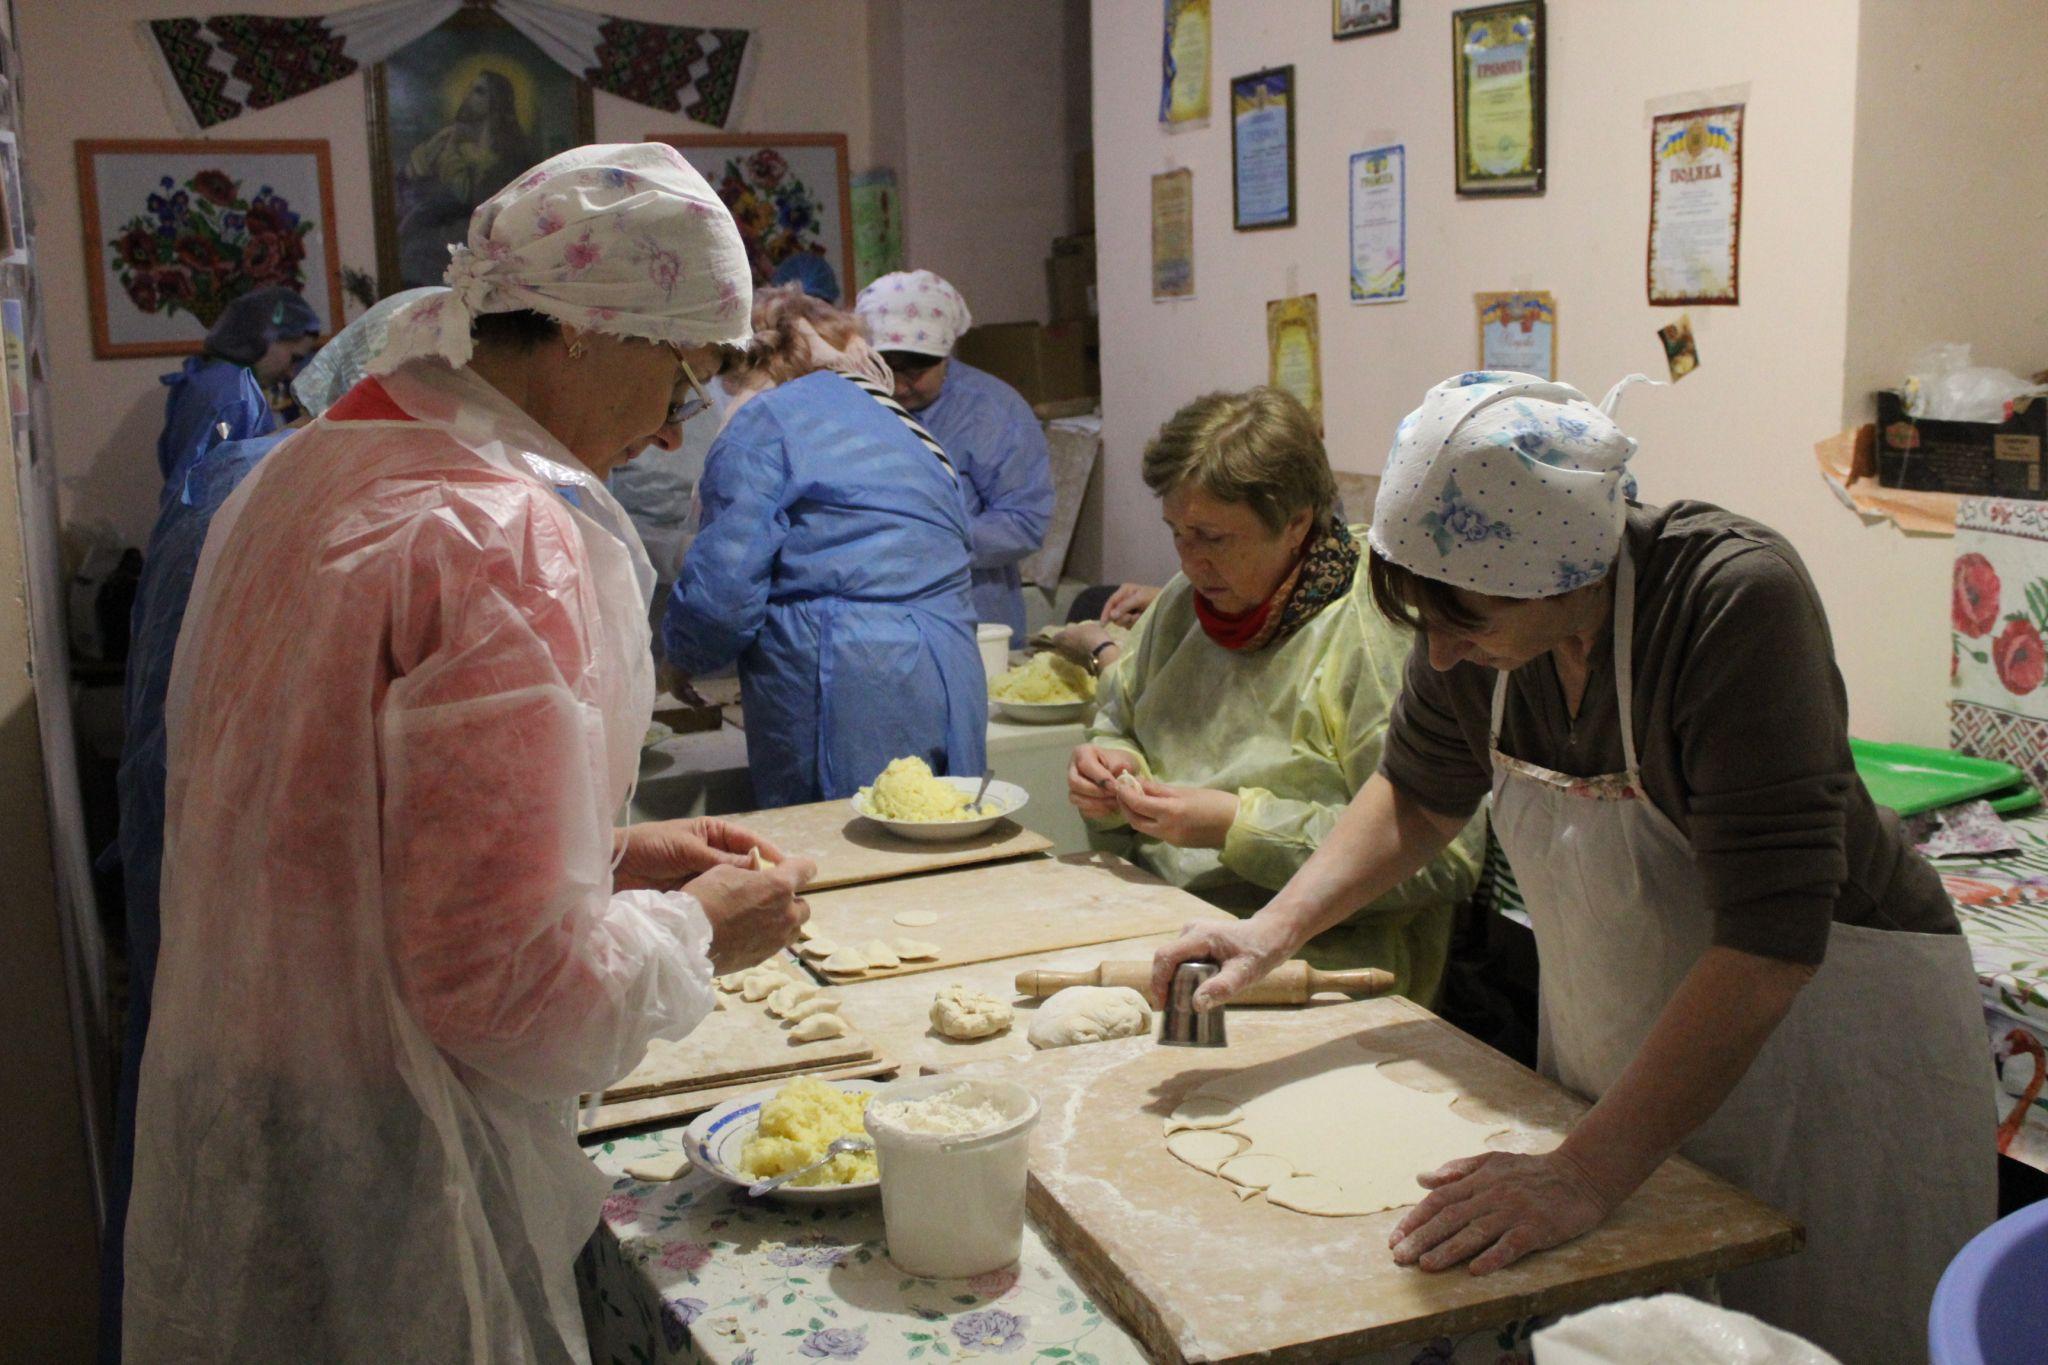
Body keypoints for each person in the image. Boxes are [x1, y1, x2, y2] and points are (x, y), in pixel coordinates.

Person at [124, 144, 814, 1362]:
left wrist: (597, 857)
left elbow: (341, 829)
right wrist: (703, 925)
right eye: (682, 372)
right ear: (584, 333)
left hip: (261, 1075)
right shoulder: (496, 534)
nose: (670, 431)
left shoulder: (305, 473)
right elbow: (517, 1000)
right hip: (405, 1142)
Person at [1150, 371, 1994, 1362]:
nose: (1447, 657)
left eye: (1465, 625)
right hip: (1638, 1050)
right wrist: (1270, 931)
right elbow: (1420, 794)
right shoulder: (1465, 602)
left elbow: (1766, 946)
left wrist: (1583, 1174)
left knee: (1811, 1330)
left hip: (1828, 1049)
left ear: (1563, 572)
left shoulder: (1728, 604)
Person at [101, 287, 443, 1363]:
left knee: (202, 1153)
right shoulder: (317, 505)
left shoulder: (238, 476)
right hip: (264, 888)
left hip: (188, 842)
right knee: (279, 1197)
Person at [1061, 388, 1480, 1003]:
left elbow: (1447, 859)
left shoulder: (1373, 631)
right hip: (1164, 922)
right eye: (1176, 532)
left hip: (1328, 967)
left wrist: (1237, 826)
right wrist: (1108, 763)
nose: (1190, 561)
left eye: (1213, 537)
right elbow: (1119, 718)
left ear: (1296, 524)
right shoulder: (1183, 604)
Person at [664, 284, 987, 807]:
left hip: (847, 677)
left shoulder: (765, 421)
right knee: (941, 840)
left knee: (842, 858)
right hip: (952, 667)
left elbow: (721, 595)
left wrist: (682, 656)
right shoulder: (901, 426)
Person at [856, 268, 1053, 645]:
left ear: (947, 354)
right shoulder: (852, 403)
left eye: (917, 369)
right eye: (887, 367)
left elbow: (1025, 522)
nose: (900, 384)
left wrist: (929, 539)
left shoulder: (993, 411)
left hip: (971, 611)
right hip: (873, 612)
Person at [153, 284, 319, 481]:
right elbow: (217, 477)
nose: (291, 372)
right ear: (267, 338)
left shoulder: (218, 380)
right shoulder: (229, 392)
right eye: (294, 358)